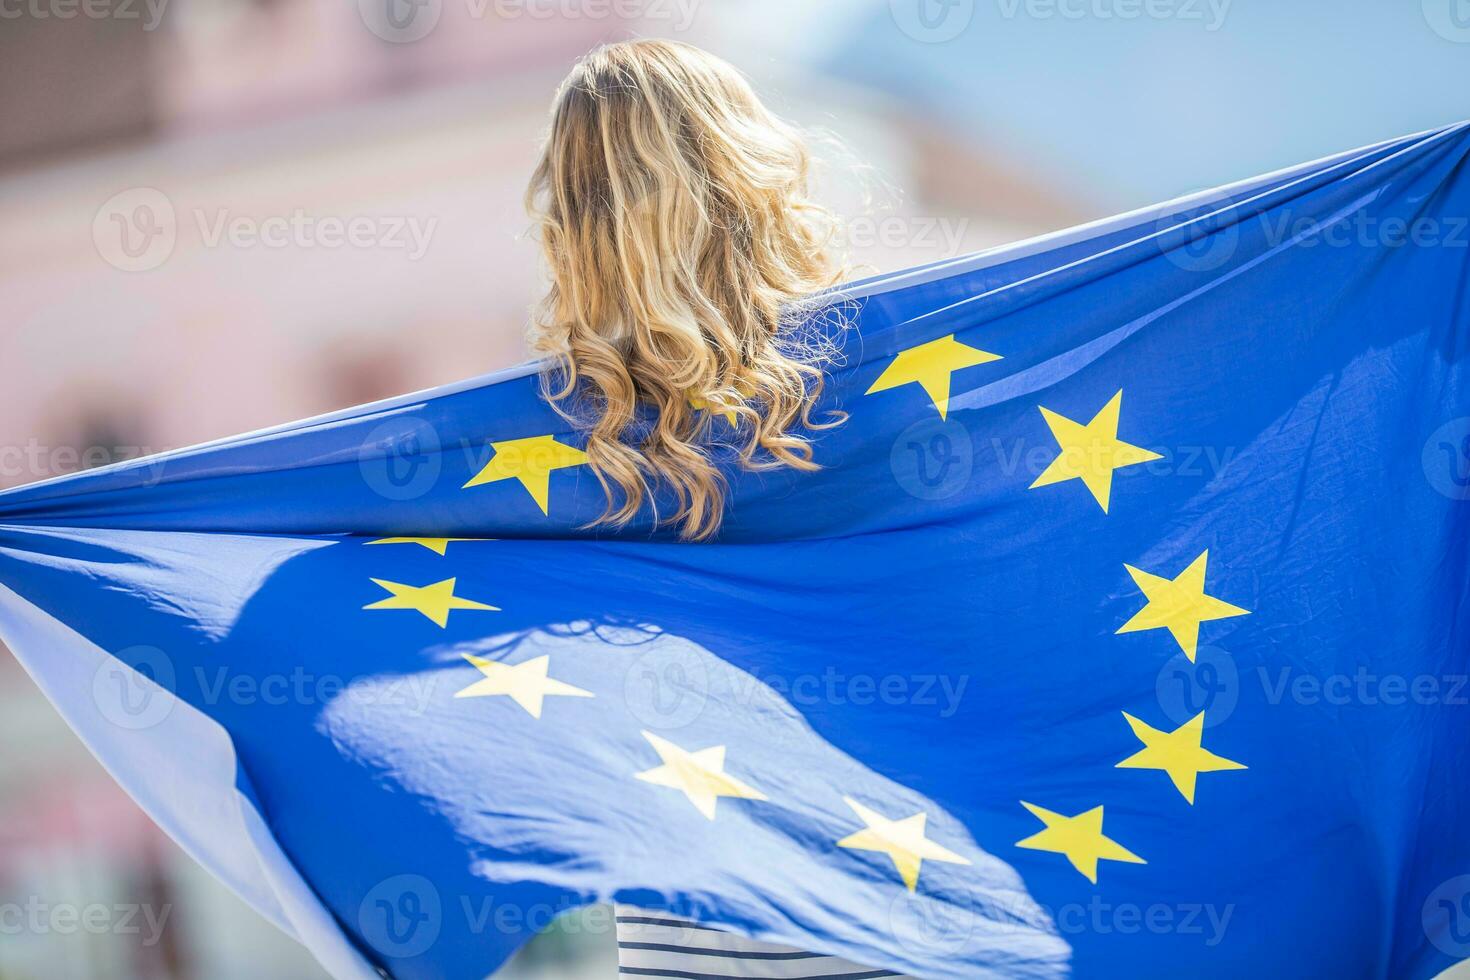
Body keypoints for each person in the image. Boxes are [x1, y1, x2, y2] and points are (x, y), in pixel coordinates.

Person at [525, 39, 911, 980]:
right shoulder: (890, 366)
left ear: (570, 218)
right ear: (745, 170)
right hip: (893, 863)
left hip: (679, 888)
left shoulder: (532, 443)